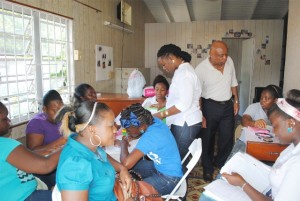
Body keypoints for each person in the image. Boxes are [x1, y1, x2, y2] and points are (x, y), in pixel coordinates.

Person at [200, 89, 300, 200]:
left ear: (291, 123)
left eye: (275, 127)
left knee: (208, 196)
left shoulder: (297, 164)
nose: (274, 132)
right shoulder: (292, 148)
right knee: (225, 175)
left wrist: (243, 184)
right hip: (270, 189)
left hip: (268, 194)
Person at [56, 101, 131, 201]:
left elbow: (101, 156)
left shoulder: (87, 144)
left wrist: (122, 168)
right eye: (110, 125)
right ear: (92, 129)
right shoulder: (75, 166)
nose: (115, 130)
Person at [195, 40, 239, 182]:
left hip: (227, 105)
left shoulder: (230, 61)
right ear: (211, 54)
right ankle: (207, 168)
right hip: (209, 106)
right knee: (207, 138)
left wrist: (236, 100)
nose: (224, 58)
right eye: (220, 56)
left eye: (226, 55)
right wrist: (201, 114)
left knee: (227, 138)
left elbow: (233, 82)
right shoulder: (201, 69)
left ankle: (219, 163)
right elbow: (197, 95)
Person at [0, 101, 61, 201]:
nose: (9, 121)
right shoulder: (5, 145)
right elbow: (46, 166)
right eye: (4, 118)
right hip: (24, 197)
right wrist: (69, 144)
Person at [119, 103, 182, 195]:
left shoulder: (150, 137)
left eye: (128, 130)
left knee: (130, 190)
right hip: (159, 167)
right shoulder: (153, 121)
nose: (127, 132)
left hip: (169, 179)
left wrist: (123, 143)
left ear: (142, 127)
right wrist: (133, 135)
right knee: (132, 167)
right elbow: (141, 131)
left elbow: (125, 164)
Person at [155, 44, 202, 163]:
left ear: (171, 57)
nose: (164, 68)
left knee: (177, 158)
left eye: (164, 64)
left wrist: (161, 114)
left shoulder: (185, 74)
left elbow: (183, 104)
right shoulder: (182, 71)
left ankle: (178, 181)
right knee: (180, 156)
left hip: (185, 122)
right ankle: (181, 181)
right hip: (184, 121)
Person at [226, 84, 283, 162]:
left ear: (275, 100)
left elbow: (288, 129)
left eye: (266, 98)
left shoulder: (280, 112)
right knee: (231, 166)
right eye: (261, 97)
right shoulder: (254, 107)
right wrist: (254, 123)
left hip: (269, 146)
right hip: (246, 142)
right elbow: (244, 121)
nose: (262, 100)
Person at [26, 89, 66, 188]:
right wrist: (61, 141)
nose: (58, 113)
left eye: (61, 110)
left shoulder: (63, 119)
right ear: (44, 109)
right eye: (55, 110)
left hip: (61, 160)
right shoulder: (36, 123)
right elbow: (33, 152)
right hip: (45, 168)